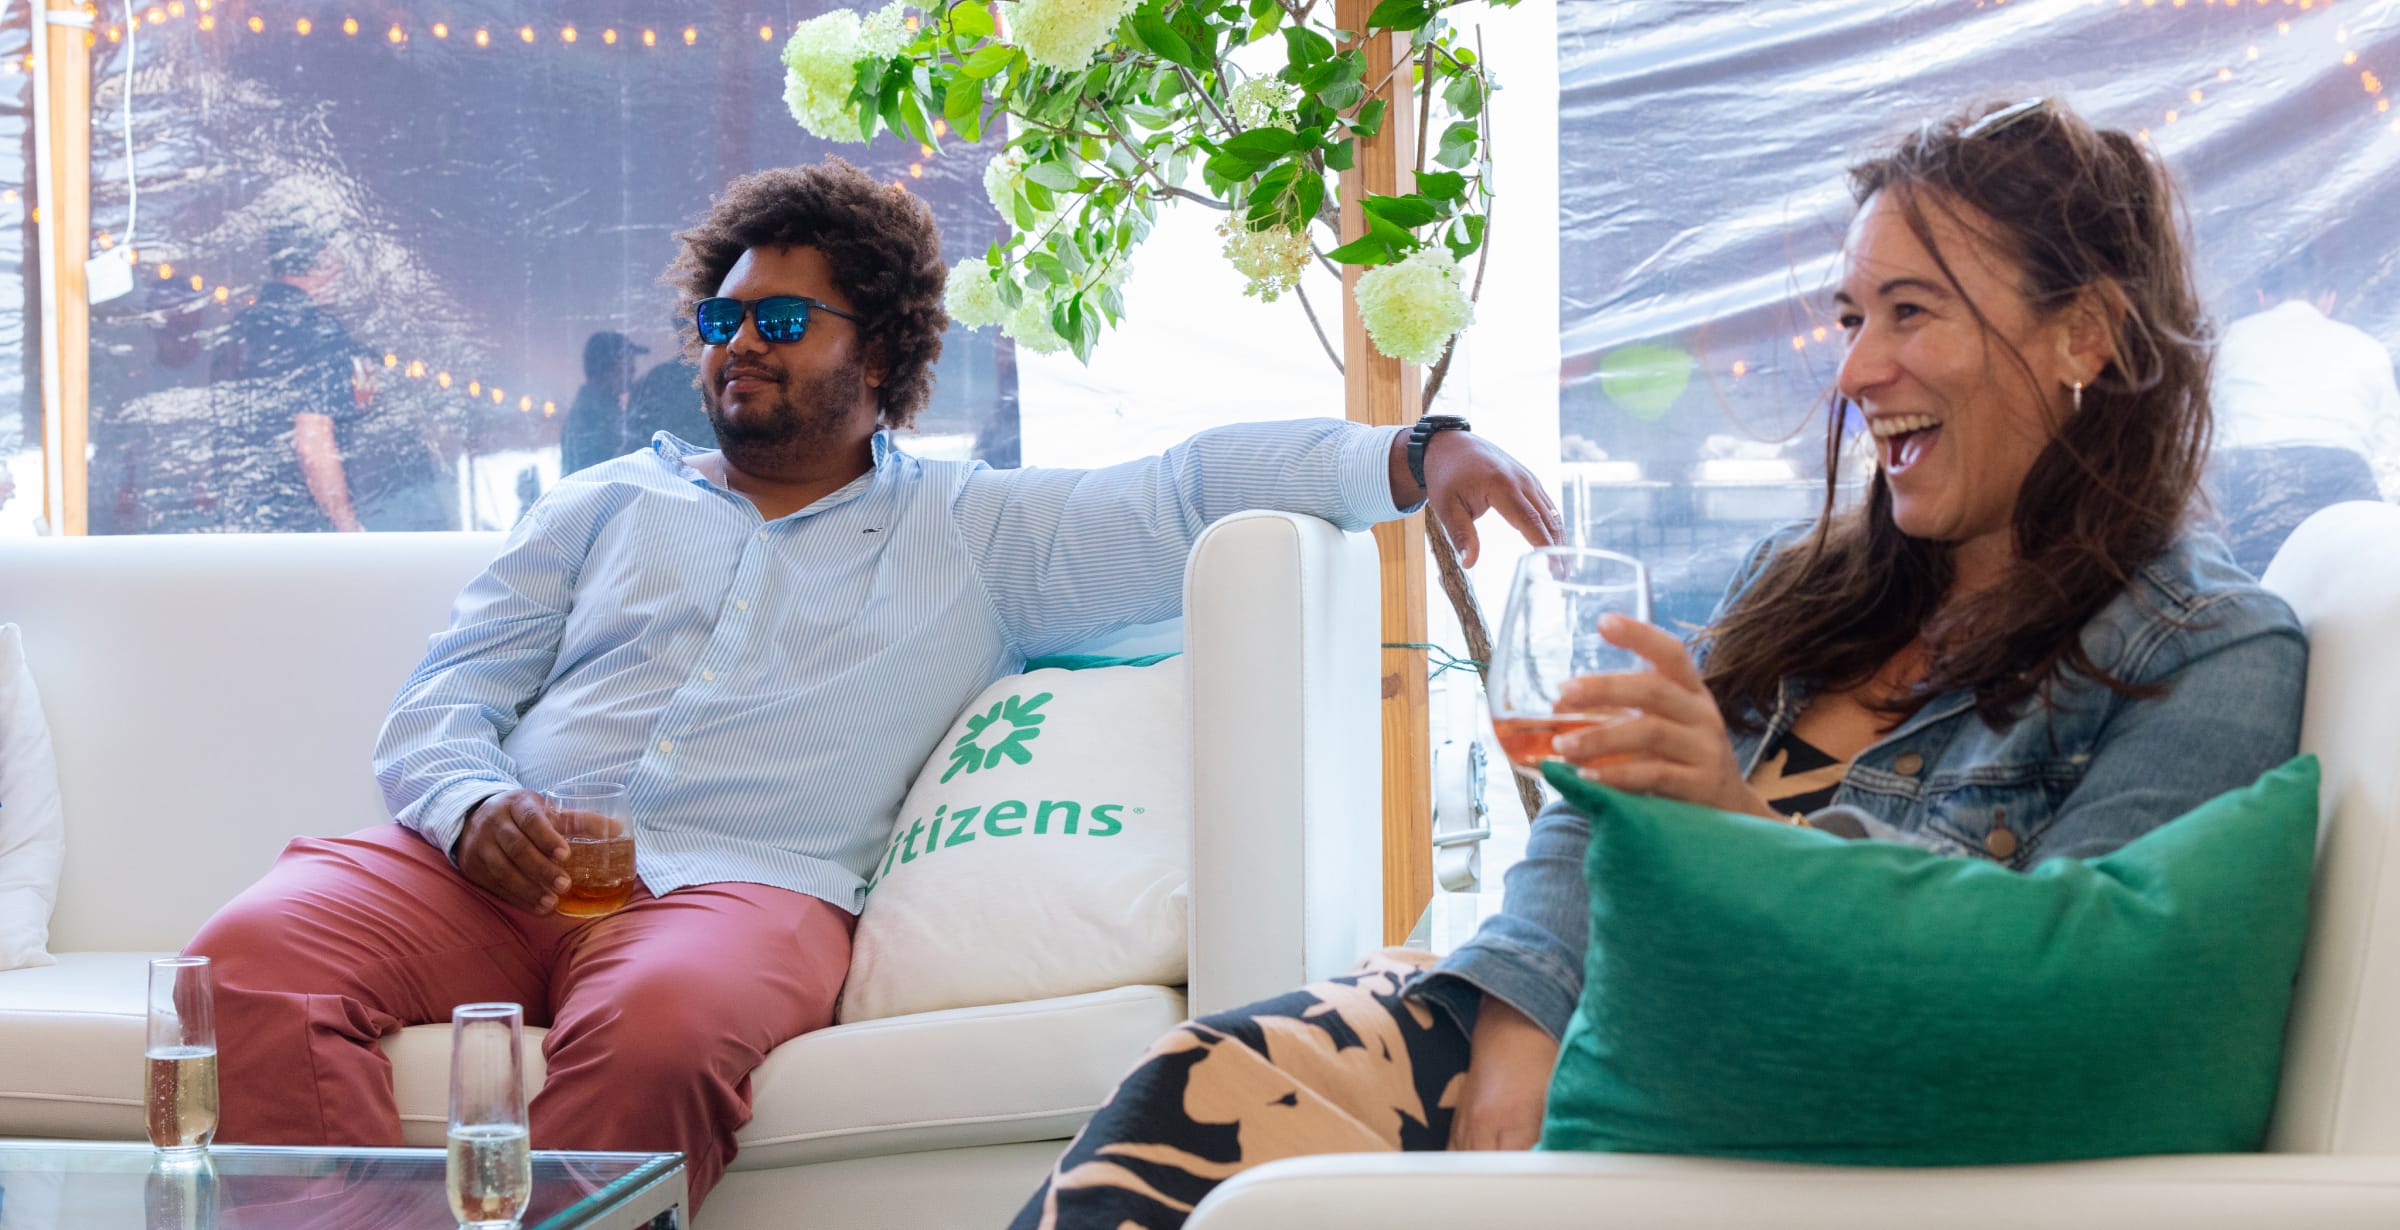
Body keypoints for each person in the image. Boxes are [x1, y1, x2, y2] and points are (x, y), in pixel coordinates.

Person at [1010, 97, 2309, 1229]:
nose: (1858, 371)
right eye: (1852, 317)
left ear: (2086, 334)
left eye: (1911, 312)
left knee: (1205, 1126)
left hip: (1735, 1109)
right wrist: (1519, 1032)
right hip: (1563, 1026)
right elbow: (1596, 808)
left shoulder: (2207, 651)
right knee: (1182, 1090)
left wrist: (1735, 826)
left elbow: (2062, 996)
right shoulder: (1805, 587)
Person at [179, 156, 1560, 1213]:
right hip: (485, 866)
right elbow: (445, 696)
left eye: (782, 317)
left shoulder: (976, 534)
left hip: (738, 889)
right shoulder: (601, 501)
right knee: (248, 955)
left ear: (884, 350)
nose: (739, 342)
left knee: (662, 1034)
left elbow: (1181, 490)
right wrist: (475, 805)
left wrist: (1417, 452)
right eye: (721, 317)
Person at [2205, 251, 2398, 576]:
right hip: (2342, 484)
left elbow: (2199, 424)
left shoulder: (2227, 339)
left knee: (2252, 584)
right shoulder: (2366, 347)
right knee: (2340, 586)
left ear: (2262, 297)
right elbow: (2390, 449)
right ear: (2329, 299)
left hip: (2245, 478)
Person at [208, 223, 371, 532]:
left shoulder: (238, 329)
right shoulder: (319, 331)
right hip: (300, 528)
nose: (341, 270)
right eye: (334, 259)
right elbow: (312, 440)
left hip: (237, 522)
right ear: (318, 262)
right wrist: (347, 526)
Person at [558, 331, 649, 476]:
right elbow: (597, 474)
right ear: (606, 369)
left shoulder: (599, 409)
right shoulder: (590, 417)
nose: (633, 370)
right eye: (628, 364)